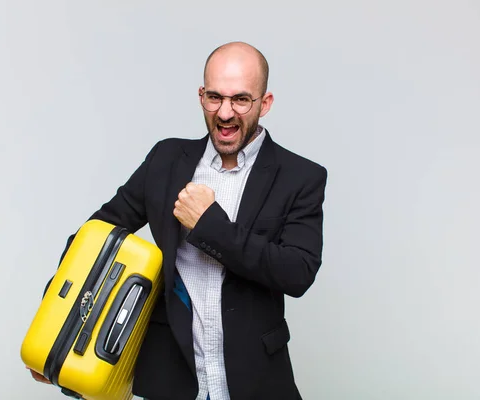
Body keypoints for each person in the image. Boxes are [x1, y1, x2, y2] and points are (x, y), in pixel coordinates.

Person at [30, 41, 328, 400]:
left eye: (241, 99)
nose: (226, 112)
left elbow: (297, 272)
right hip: (169, 379)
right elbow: (95, 237)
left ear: (265, 104)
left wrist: (209, 225)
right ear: (201, 95)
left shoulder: (300, 176)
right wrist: (57, 325)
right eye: (215, 97)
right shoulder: (166, 160)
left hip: (258, 380)